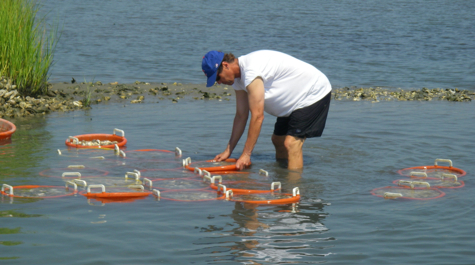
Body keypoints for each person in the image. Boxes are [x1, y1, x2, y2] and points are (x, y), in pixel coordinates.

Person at [201, 50, 331, 170]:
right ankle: (283, 177)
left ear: (225, 65)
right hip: (293, 101)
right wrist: (228, 150)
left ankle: (293, 189)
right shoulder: (236, 80)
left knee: (291, 144)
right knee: (278, 140)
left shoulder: (250, 71)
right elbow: (241, 115)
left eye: (217, 77)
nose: (218, 83)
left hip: (313, 92)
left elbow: (258, 116)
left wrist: (246, 154)